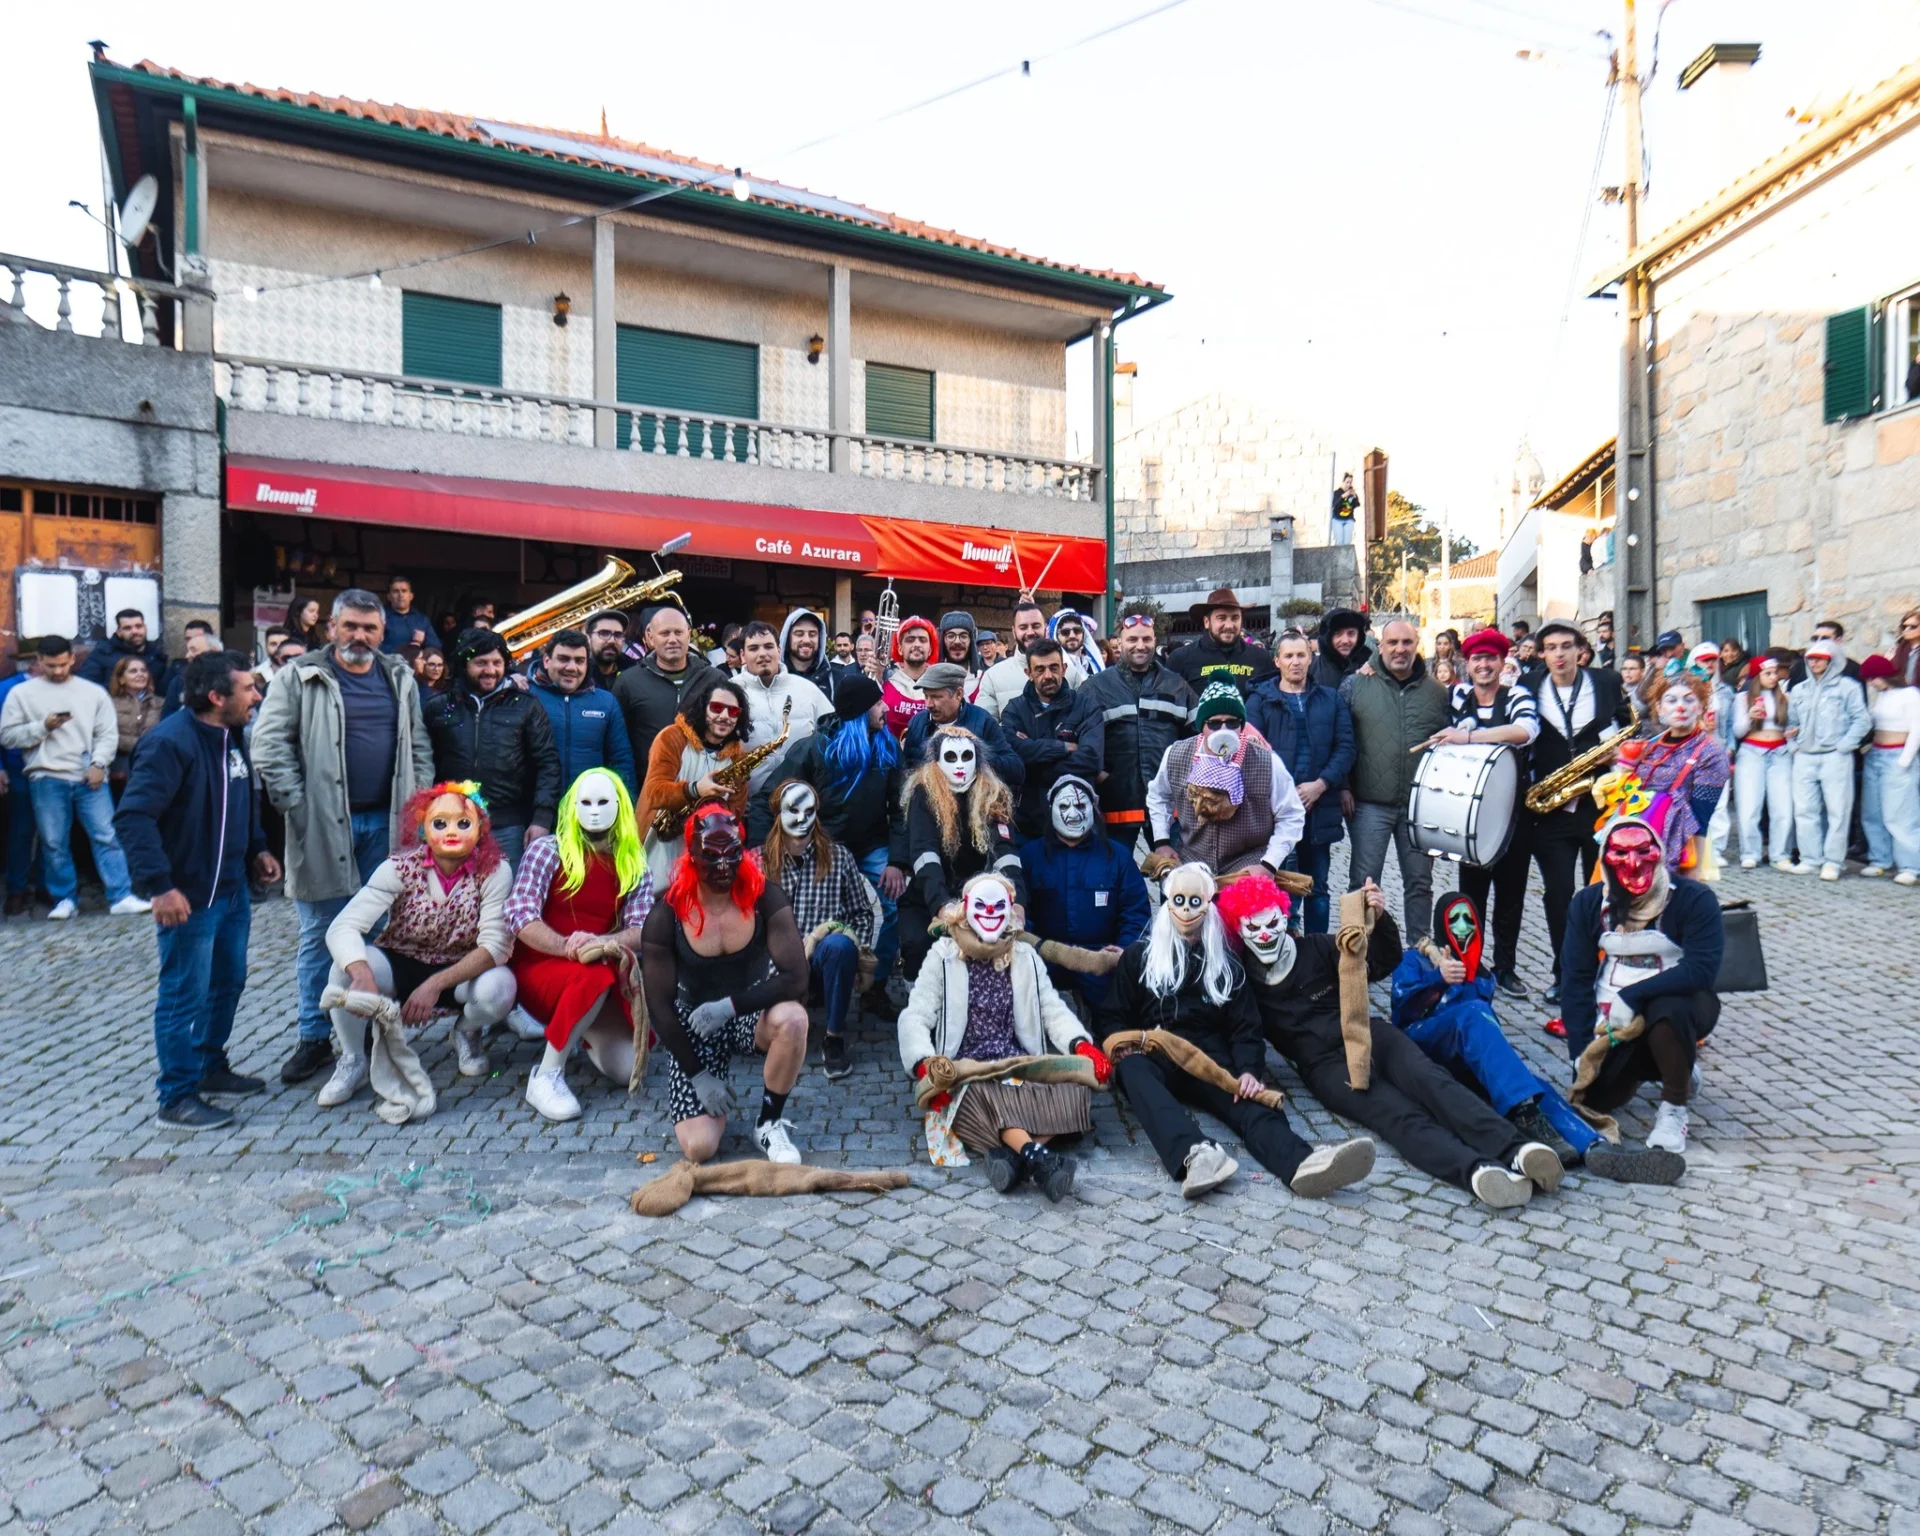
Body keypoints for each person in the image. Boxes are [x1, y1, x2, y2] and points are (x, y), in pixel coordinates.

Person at [1223, 872, 1562, 1209]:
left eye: (1270, 922)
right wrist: (1248, 1070)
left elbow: (1383, 962)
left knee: (1429, 1079)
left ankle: (1515, 1149)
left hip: (1371, 1033)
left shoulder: (1319, 948)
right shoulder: (1244, 984)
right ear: (1239, 929)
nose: (1265, 934)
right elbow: (1245, 1032)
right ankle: (1476, 1172)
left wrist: (1381, 918)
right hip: (1324, 1067)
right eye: (1253, 927)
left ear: (1284, 916)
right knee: (1394, 1113)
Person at [1096, 863, 1374, 1200]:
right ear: (1167, 904)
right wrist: (1120, 1044)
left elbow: (1246, 1027)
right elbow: (1112, 1015)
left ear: (1208, 907)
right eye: (1179, 901)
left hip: (1209, 1056)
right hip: (1155, 1051)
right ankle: (1197, 1155)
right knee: (1132, 1071)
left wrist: (1248, 1070)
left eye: (1194, 902)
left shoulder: (1226, 964)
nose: (1186, 911)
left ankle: (1302, 1163)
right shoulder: (1139, 958)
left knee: (1247, 1099)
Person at [253, 588, 435, 1084]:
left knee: (379, 931)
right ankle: (314, 1037)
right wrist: (297, 803)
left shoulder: (398, 675)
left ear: (382, 633)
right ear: (331, 627)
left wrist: (420, 808)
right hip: (321, 825)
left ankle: (370, 1028)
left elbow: (417, 742)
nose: (359, 636)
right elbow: (268, 745)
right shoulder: (300, 676)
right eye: (349, 626)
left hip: (388, 823)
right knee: (319, 933)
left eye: (369, 628)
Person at [1388, 891, 1683, 1184]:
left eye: (1469, 920)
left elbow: (1483, 1038)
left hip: (1462, 1061)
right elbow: (1402, 1009)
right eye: (1454, 920)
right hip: (1419, 1046)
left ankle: (1594, 1147)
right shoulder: (1415, 960)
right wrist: (1437, 978)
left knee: (1532, 1088)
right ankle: (1523, 1113)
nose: (1463, 927)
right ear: (1441, 925)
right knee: (1475, 1016)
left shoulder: (1481, 975)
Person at [114, 650, 279, 1129]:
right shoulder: (169, 743)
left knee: (228, 982)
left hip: (231, 890)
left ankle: (210, 1066)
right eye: (249, 689)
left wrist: (257, 850)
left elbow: (240, 800)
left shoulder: (231, 735)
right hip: (188, 897)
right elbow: (134, 817)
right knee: (183, 993)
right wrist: (160, 888)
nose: (257, 695)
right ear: (216, 696)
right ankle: (176, 1096)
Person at [898, 871, 1103, 1199]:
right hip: (969, 1072)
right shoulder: (943, 955)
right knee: (976, 1098)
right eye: (982, 906)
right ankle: (1040, 1157)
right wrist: (924, 1064)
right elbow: (915, 1016)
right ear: (965, 909)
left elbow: (1052, 1009)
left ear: (1009, 909)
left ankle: (1017, 1157)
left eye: (999, 907)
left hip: (1018, 1067)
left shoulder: (1025, 956)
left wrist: (1081, 1044)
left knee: (1078, 1085)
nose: (991, 914)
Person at [319, 782, 517, 1112]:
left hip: (461, 970)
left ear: (480, 827)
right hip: (401, 960)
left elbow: (495, 947)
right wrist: (362, 973)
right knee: (342, 970)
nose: (451, 831)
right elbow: (343, 925)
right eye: (440, 823)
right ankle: (353, 1058)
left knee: (501, 987)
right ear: (423, 827)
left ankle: (467, 1032)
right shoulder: (398, 868)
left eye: (463, 823)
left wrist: (434, 985)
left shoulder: (495, 870)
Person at [640, 800, 810, 1164]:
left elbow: (796, 977)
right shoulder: (666, 913)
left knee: (793, 1020)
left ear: (743, 853)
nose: (722, 867)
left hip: (747, 1007)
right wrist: (697, 1074)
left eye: (732, 855)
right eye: (711, 857)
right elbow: (659, 1007)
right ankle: (710, 1095)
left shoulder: (764, 895)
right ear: (691, 858)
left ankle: (768, 1123)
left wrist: (731, 1006)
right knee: (700, 1148)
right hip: (693, 1023)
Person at [1561, 816, 1723, 1158]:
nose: (1633, 864)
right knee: (1596, 1098)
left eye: (1642, 851)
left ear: (1659, 853)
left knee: (1668, 1007)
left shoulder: (1693, 900)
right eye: (1620, 853)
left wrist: (1632, 995)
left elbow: (1701, 970)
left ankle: (1674, 1105)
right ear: (1605, 858)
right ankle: (1674, 1066)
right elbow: (1575, 977)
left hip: (1681, 1006)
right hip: (1615, 1023)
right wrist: (1579, 1052)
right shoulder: (1589, 904)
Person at [509, 769, 656, 1122]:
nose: (593, 810)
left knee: (625, 1071)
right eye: (586, 802)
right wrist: (568, 947)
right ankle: (546, 1076)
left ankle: (576, 1028)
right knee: (594, 977)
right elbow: (520, 915)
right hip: (542, 967)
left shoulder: (632, 861)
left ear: (619, 806)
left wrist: (600, 943)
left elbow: (641, 927)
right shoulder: (548, 850)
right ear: (572, 805)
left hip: (597, 965)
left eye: (603, 802)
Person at [1524, 618, 1634, 1005]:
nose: (1559, 654)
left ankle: (1607, 969)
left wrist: (1615, 752)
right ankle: (1564, 972)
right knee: (1558, 894)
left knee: (1606, 891)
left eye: (1566, 646)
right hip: (1552, 808)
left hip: (1600, 805)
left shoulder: (1604, 682)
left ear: (1580, 650)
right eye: (1550, 647)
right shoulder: (1527, 686)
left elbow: (1628, 728)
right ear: (1541, 654)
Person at [0, 635, 146, 921]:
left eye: (63, 664)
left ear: (72, 659)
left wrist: (99, 764)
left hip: (88, 772)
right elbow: (8, 735)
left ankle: (121, 895)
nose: (57, 671)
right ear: (39, 662)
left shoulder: (92, 692)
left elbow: (107, 733)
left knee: (106, 835)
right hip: (46, 774)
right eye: (50, 666)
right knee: (54, 842)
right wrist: (43, 727)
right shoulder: (22, 694)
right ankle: (65, 898)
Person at [1433, 626, 1538, 995]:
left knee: (1511, 896)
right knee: (1470, 896)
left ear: (1501, 661)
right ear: (1468, 663)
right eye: (1477, 659)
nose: (1484, 666)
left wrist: (1470, 736)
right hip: (1470, 814)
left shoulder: (1516, 694)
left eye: (1491, 658)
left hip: (1514, 812)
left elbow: (1525, 730)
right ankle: (1469, 963)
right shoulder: (1459, 695)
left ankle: (1506, 967)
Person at [763, 777, 880, 1081]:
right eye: (793, 810)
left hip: (824, 959)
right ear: (779, 813)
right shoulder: (763, 862)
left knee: (839, 946)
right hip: (780, 966)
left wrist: (860, 952)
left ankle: (834, 1037)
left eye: (809, 810)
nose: (801, 819)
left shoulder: (838, 856)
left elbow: (862, 913)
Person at [1340, 618, 1449, 940]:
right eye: (1393, 643)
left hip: (1419, 806)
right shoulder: (1355, 685)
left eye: (1407, 643)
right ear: (1381, 646)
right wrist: (1344, 786)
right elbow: (1342, 739)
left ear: (1417, 646)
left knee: (1419, 882)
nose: (1400, 649)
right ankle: (1359, 952)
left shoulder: (1437, 692)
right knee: (1363, 882)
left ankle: (1418, 948)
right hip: (1370, 804)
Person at [894, 724, 1024, 979]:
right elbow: (924, 853)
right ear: (937, 761)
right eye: (951, 758)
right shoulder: (924, 792)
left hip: (981, 894)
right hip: (928, 895)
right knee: (917, 944)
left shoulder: (992, 793)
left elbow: (1005, 851)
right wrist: (941, 905)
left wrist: (1017, 900)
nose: (960, 765)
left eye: (967, 757)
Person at [422, 629, 561, 868]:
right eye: (481, 663)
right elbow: (424, 763)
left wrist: (541, 818)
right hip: (450, 822)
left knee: (503, 899)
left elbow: (547, 762)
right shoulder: (439, 706)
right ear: (464, 664)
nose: (490, 670)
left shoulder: (526, 706)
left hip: (507, 826)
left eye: (497, 662)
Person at [1246, 629, 1353, 935]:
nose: (1296, 662)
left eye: (1301, 655)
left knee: (1317, 888)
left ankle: (1318, 952)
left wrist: (1321, 784)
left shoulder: (1330, 699)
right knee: (1284, 888)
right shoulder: (1260, 701)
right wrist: (1282, 794)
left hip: (1320, 808)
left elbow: (1345, 747)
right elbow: (1253, 752)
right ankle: (1285, 951)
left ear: (1311, 658)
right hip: (1278, 811)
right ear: (1277, 660)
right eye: (1289, 656)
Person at [1019, 774, 1151, 1012]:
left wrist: (1124, 950)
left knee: (1118, 1021)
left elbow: (1136, 912)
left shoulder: (1118, 856)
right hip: (1045, 958)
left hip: (1102, 960)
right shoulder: (1029, 856)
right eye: (1064, 806)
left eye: (1080, 805)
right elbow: (1021, 910)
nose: (1073, 814)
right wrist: (1028, 951)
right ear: (1051, 810)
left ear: (1094, 808)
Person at [1146, 680, 1303, 880]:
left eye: (1232, 723)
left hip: (1248, 869)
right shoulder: (1176, 754)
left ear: (1242, 725)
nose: (1223, 730)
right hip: (1192, 865)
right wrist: (1161, 841)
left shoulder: (1267, 761)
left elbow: (1291, 814)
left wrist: (1269, 864)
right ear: (1201, 725)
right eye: (1214, 723)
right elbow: (1158, 796)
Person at [1081, 610, 1196, 844]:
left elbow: (1199, 737)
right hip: (1116, 802)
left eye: (1146, 639)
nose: (1140, 646)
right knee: (1114, 877)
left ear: (1155, 641)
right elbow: (1079, 737)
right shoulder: (1095, 687)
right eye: (1132, 640)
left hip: (1168, 805)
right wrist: (1099, 773)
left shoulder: (1177, 685)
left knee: (1176, 876)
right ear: (1119, 643)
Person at [1608, 667, 1731, 876]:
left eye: (1689, 700)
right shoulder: (1651, 746)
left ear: (1701, 707)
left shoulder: (1711, 753)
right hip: (1635, 844)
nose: (1680, 707)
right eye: (1672, 701)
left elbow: (1701, 820)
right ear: (1660, 708)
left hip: (1677, 850)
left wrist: (1692, 880)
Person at [640, 669, 752, 895]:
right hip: (660, 846)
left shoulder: (738, 759)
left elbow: (736, 815)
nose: (725, 716)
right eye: (717, 708)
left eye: (733, 711)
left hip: (705, 857)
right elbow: (654, 792)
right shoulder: (672, 737)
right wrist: (694, 790)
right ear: (703, 708)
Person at [1000, 638, 1103, 838]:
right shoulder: (1015, 709)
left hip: (1078, 815)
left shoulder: (1085, 705)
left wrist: (1034, 766)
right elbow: (1013, 754)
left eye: (1054, 668)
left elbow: (1091, 758)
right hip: (1028, 822)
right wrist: (1062, 748)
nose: (1048, 675)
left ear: (1064, 669)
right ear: (1028, 673)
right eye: (1040, 669)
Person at [1786, 637, 1870, 880]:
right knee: (1804, 810)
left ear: (1832, 660)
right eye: (1811, 658)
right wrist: (1793, 745)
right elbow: (1792, 722)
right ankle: (1811, 858)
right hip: (1805, 757)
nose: (1815, 662)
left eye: (1820, 658)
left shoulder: (1848, 687)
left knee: (1838, 810)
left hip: (1835, 756)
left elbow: (1862, 720)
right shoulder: (1799, 689)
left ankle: (1833, 861)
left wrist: (1845, 746)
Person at [528, 628, 638, 797]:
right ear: (546, 661)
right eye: (563, 659)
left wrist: (626, 808)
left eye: (579, 661)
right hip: (534, 813)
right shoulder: (525, 696)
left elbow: (621, 760)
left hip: (590, 809)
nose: (572, 667)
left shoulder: (606, 702)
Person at [614, 604, 712, 774]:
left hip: (704, 786)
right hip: (648, 786)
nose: (672, 639)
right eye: (665, 633)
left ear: (689, 635)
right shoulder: (628, 682)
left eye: (678, 632)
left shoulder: (714, 679)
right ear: (651, 638)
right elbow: (617, 744)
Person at [732, 620, 830, 791]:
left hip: (802, 804)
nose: (762, 654)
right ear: (742, 656)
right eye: (754, 648)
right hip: (746, 807)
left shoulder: (808, 690)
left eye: (769, 646)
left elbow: (834, 738)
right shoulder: (729, 692)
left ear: (779, 650)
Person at [901, 663, 1025, 786]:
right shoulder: (917, 722)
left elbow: (1016, 770)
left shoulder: (983, 721)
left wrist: (974, 757)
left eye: (936, 697)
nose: (929, 704)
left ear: (959, 694)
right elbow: (906, 770)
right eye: (926, 696)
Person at [1859, 654, 1920, 883]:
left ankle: (1910, 866)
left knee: (1902, 813)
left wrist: (1905, 760)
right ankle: (1880, 859)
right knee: (1872, 811)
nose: (1872, 683)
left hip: (1898, 754)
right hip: (1876, 754)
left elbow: (1917, 729)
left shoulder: (1910, 694)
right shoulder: (1882, 696)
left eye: (1874, 677)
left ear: (1887, 675)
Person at [1732, 653, 1793, 870]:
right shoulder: (1742, 698)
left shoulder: (1784, 696)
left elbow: (1791, 725)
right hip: (1751, 752)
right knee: (1749, 806)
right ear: (1757, 676)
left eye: (1775, 673)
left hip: (1780, 752)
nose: (1773, 677)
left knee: (1783, 807)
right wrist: (1750, 716)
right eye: (1768, 673)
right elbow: (1738, 731)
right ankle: (1750, 852)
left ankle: (1780, 854)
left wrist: (1792, 732)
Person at [1168, 588, 1277, 697]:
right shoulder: (1181, 659)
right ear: (1207, 622)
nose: (1229, 625)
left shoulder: (1261, 658)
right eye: (1221, 618)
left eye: (1235, 618)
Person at [974, 601, 1050, 718]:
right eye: (1023, 627)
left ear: (1046, 628)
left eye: (1036, 626)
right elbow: (984, 725)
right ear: (1014, 632)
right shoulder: (993, 676)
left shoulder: (1069, 672)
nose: (1030, 632)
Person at [108, 656, 161, 798]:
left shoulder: (160, 703)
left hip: (152, 762)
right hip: (121, 765)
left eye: (143, 670)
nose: (140, 674)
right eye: (133, 671)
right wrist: (139, 744)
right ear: (121, 679)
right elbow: (109, 734)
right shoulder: (109, 704)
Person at [882, 616, 939, 738]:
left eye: (923, 640)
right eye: (910, 640)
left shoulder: (940, 686)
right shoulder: (885, 685)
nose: (917, 644)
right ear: (900, 649)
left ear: (930, 649)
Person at [80, 608, 167, 687]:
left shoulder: (156, 656)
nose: (135, 631)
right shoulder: (102, 654)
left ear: (145, 628)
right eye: (127, 628)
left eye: (139, 626)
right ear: (119, 632)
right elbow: (86, 686)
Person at [779, 608, 838, 703]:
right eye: (799, 634)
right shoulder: (773, 679)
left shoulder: (836, 680)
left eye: (812, 634)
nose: (806, 640)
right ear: (787, 638)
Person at [161, 632, 222, 717]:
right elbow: (167, 718)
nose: (187, 656)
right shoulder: (179, 682)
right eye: (188, 650)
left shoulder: (232, 679)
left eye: (193, 650)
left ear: (214, 651)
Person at [1310, 608, 1371, 691]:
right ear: (1327, 637)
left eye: (1351, 633)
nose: (1345, 641)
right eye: (1338, 634)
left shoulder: (1371, 665)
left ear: (1359, 636)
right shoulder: (1311, 668)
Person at [381, 576, 441, 654]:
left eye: (404, 591)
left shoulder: (421, 619)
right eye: (396, 591)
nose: (400, 595)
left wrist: (424, 640)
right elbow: (372, 647)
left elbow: (436, 648)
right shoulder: (380, 617)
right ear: (389, 596)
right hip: (388, 664)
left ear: (411, 596)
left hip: (415, 665)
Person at [581, 609, 634, 689]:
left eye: (618, 635)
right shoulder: (577, 676)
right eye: (604, 633)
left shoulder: (633, 671)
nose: (612, 641)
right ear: (588, 638)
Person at [1049, 609, 1104, 684]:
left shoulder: (1092, 665)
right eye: (1065, 632)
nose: (1072, 635)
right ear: (1056, 636)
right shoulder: (1052, 669)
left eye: (1077, 630)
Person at [937, 610, 984, 682]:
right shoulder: (931, 678)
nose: (957, 642)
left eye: (963, 636)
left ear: (971, 640)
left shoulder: (983, 680)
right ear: (942, 639)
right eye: (951, 636)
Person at [1330, 471, 1360, 546]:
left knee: (1347, 542)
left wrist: (1354, 497)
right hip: (1337, 519)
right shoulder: (1337, 493)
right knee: (1339, 541)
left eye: (1350, 482)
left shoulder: (1351, 493)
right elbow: (1334, 504)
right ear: (1343, 482)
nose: (1349, 484)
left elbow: (1356, 505)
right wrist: (1343, 496)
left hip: (1348, 519)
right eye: (1347, 482)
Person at [1891, 609, 1920, 687]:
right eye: (1904, 627)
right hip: (1904, 693)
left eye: (1912, 627)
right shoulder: (1900, 649)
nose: (1907, 630)